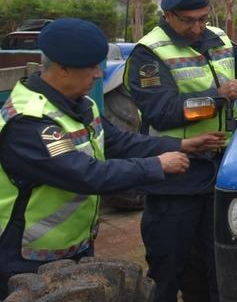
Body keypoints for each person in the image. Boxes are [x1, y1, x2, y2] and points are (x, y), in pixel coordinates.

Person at [0, 18, 224, 297]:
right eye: (91, 67)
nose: (98, 74)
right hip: (27, 258)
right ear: (63, 68)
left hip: (75, 247)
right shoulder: (30, 122)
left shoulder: (82, 105)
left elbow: (119, 142)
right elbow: (85, 174)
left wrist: (181, 144)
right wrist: (157, 165)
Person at [124, 0, 237, 302]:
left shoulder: (217, 38)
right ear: (168, 15)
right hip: (175, 178)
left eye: (203, 18)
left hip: (219, 172)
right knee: (168, 268)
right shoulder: (149, 53)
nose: (197, 27)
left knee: (215, 267)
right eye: (188, 21)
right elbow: (163, 112)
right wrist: (217, 96)